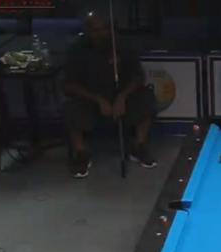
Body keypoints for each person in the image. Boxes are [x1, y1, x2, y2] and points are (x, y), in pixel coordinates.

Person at [64, 12, 158, 178]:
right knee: (72, 106)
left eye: (104, 29)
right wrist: (98, 100)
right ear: (87, 30)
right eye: (95, 30)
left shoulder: (123, 45)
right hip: (91, 98)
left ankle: (139, 145)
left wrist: (122, 96)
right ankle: (81, 153)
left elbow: (138, 77)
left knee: (146, 97)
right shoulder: (77, 49)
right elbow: (69, 84)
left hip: (122, 97)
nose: (100, 34)